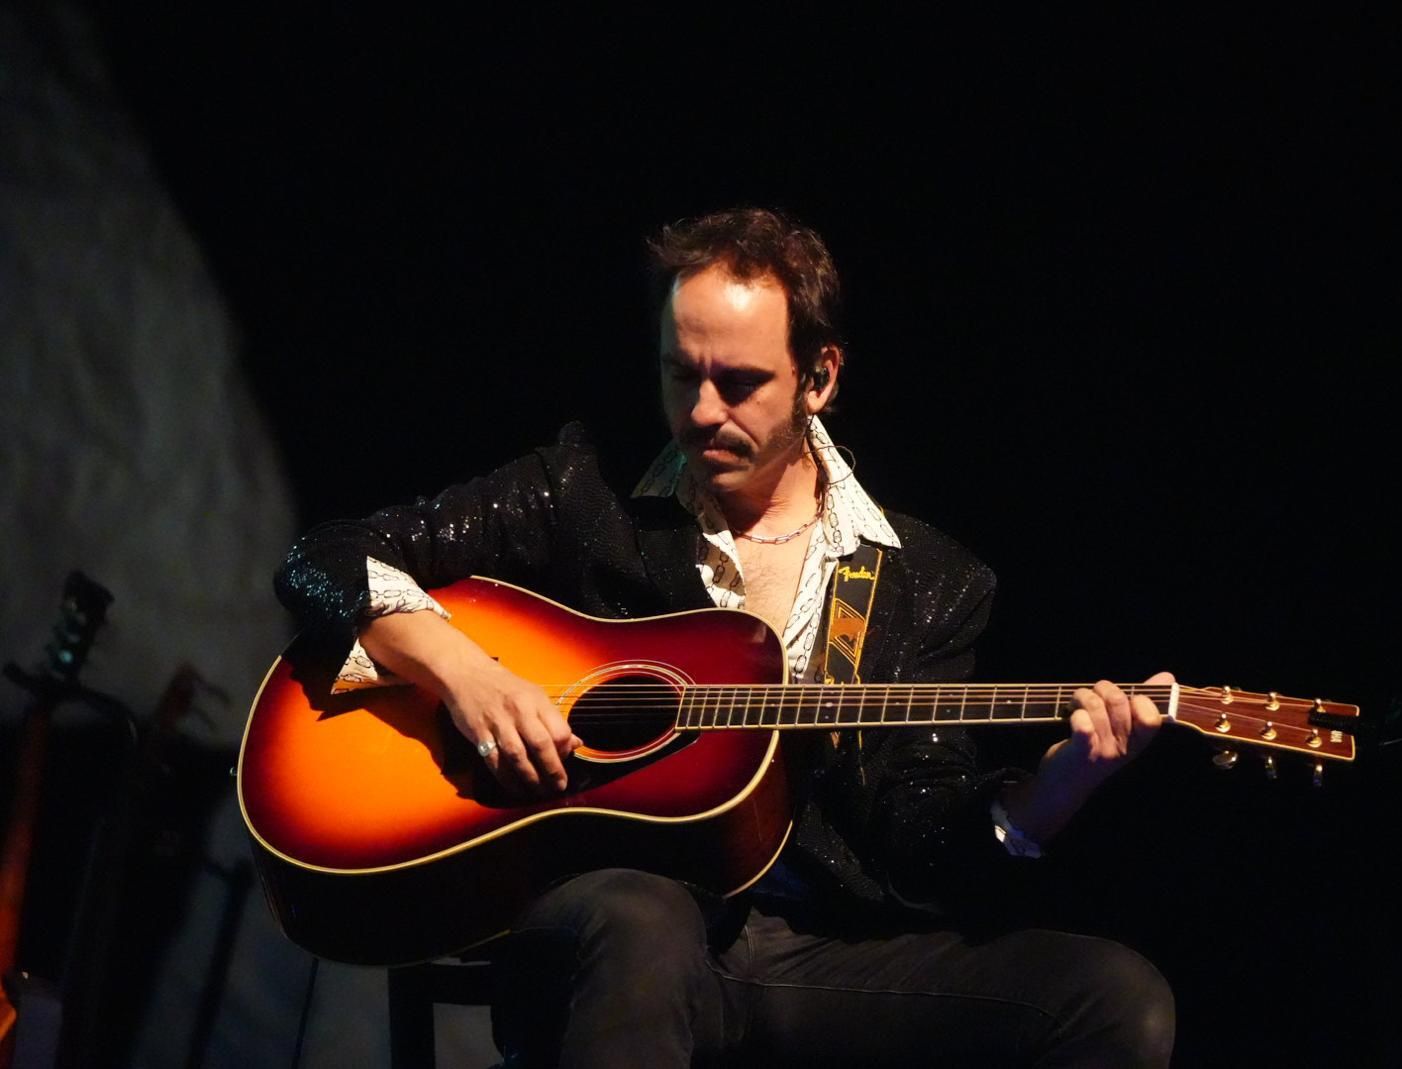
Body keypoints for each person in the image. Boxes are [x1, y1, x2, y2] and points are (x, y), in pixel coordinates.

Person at [275, 208, 1177, 1067]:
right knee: (643, 919)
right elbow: (325, 557)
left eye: (739, 383)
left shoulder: (929, 580)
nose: (703, 410)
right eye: (681, 374)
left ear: (820, 378)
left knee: (1113, 997)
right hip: (617, 923)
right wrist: (465, 673)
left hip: (811, 959)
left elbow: (920, 842)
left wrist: (1053, 789)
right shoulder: (585, 486)